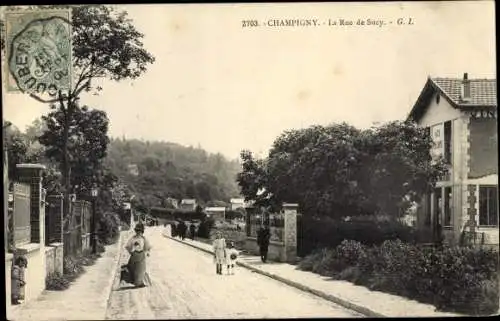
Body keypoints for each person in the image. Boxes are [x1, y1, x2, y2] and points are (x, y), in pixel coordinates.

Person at [122, 222, 151, 288]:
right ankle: (134, 282)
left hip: (141, 255)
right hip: (134, 255)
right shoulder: (133, 238)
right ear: (135, 231)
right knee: (134, 269)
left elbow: (147, 246)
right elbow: (127, 246)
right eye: (137, 231)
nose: (138, 232)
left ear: (142, 231)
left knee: (141, 270)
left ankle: (140, 282)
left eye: (140, 231)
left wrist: (147, 252)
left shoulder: (144, 239)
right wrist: (131, 252)